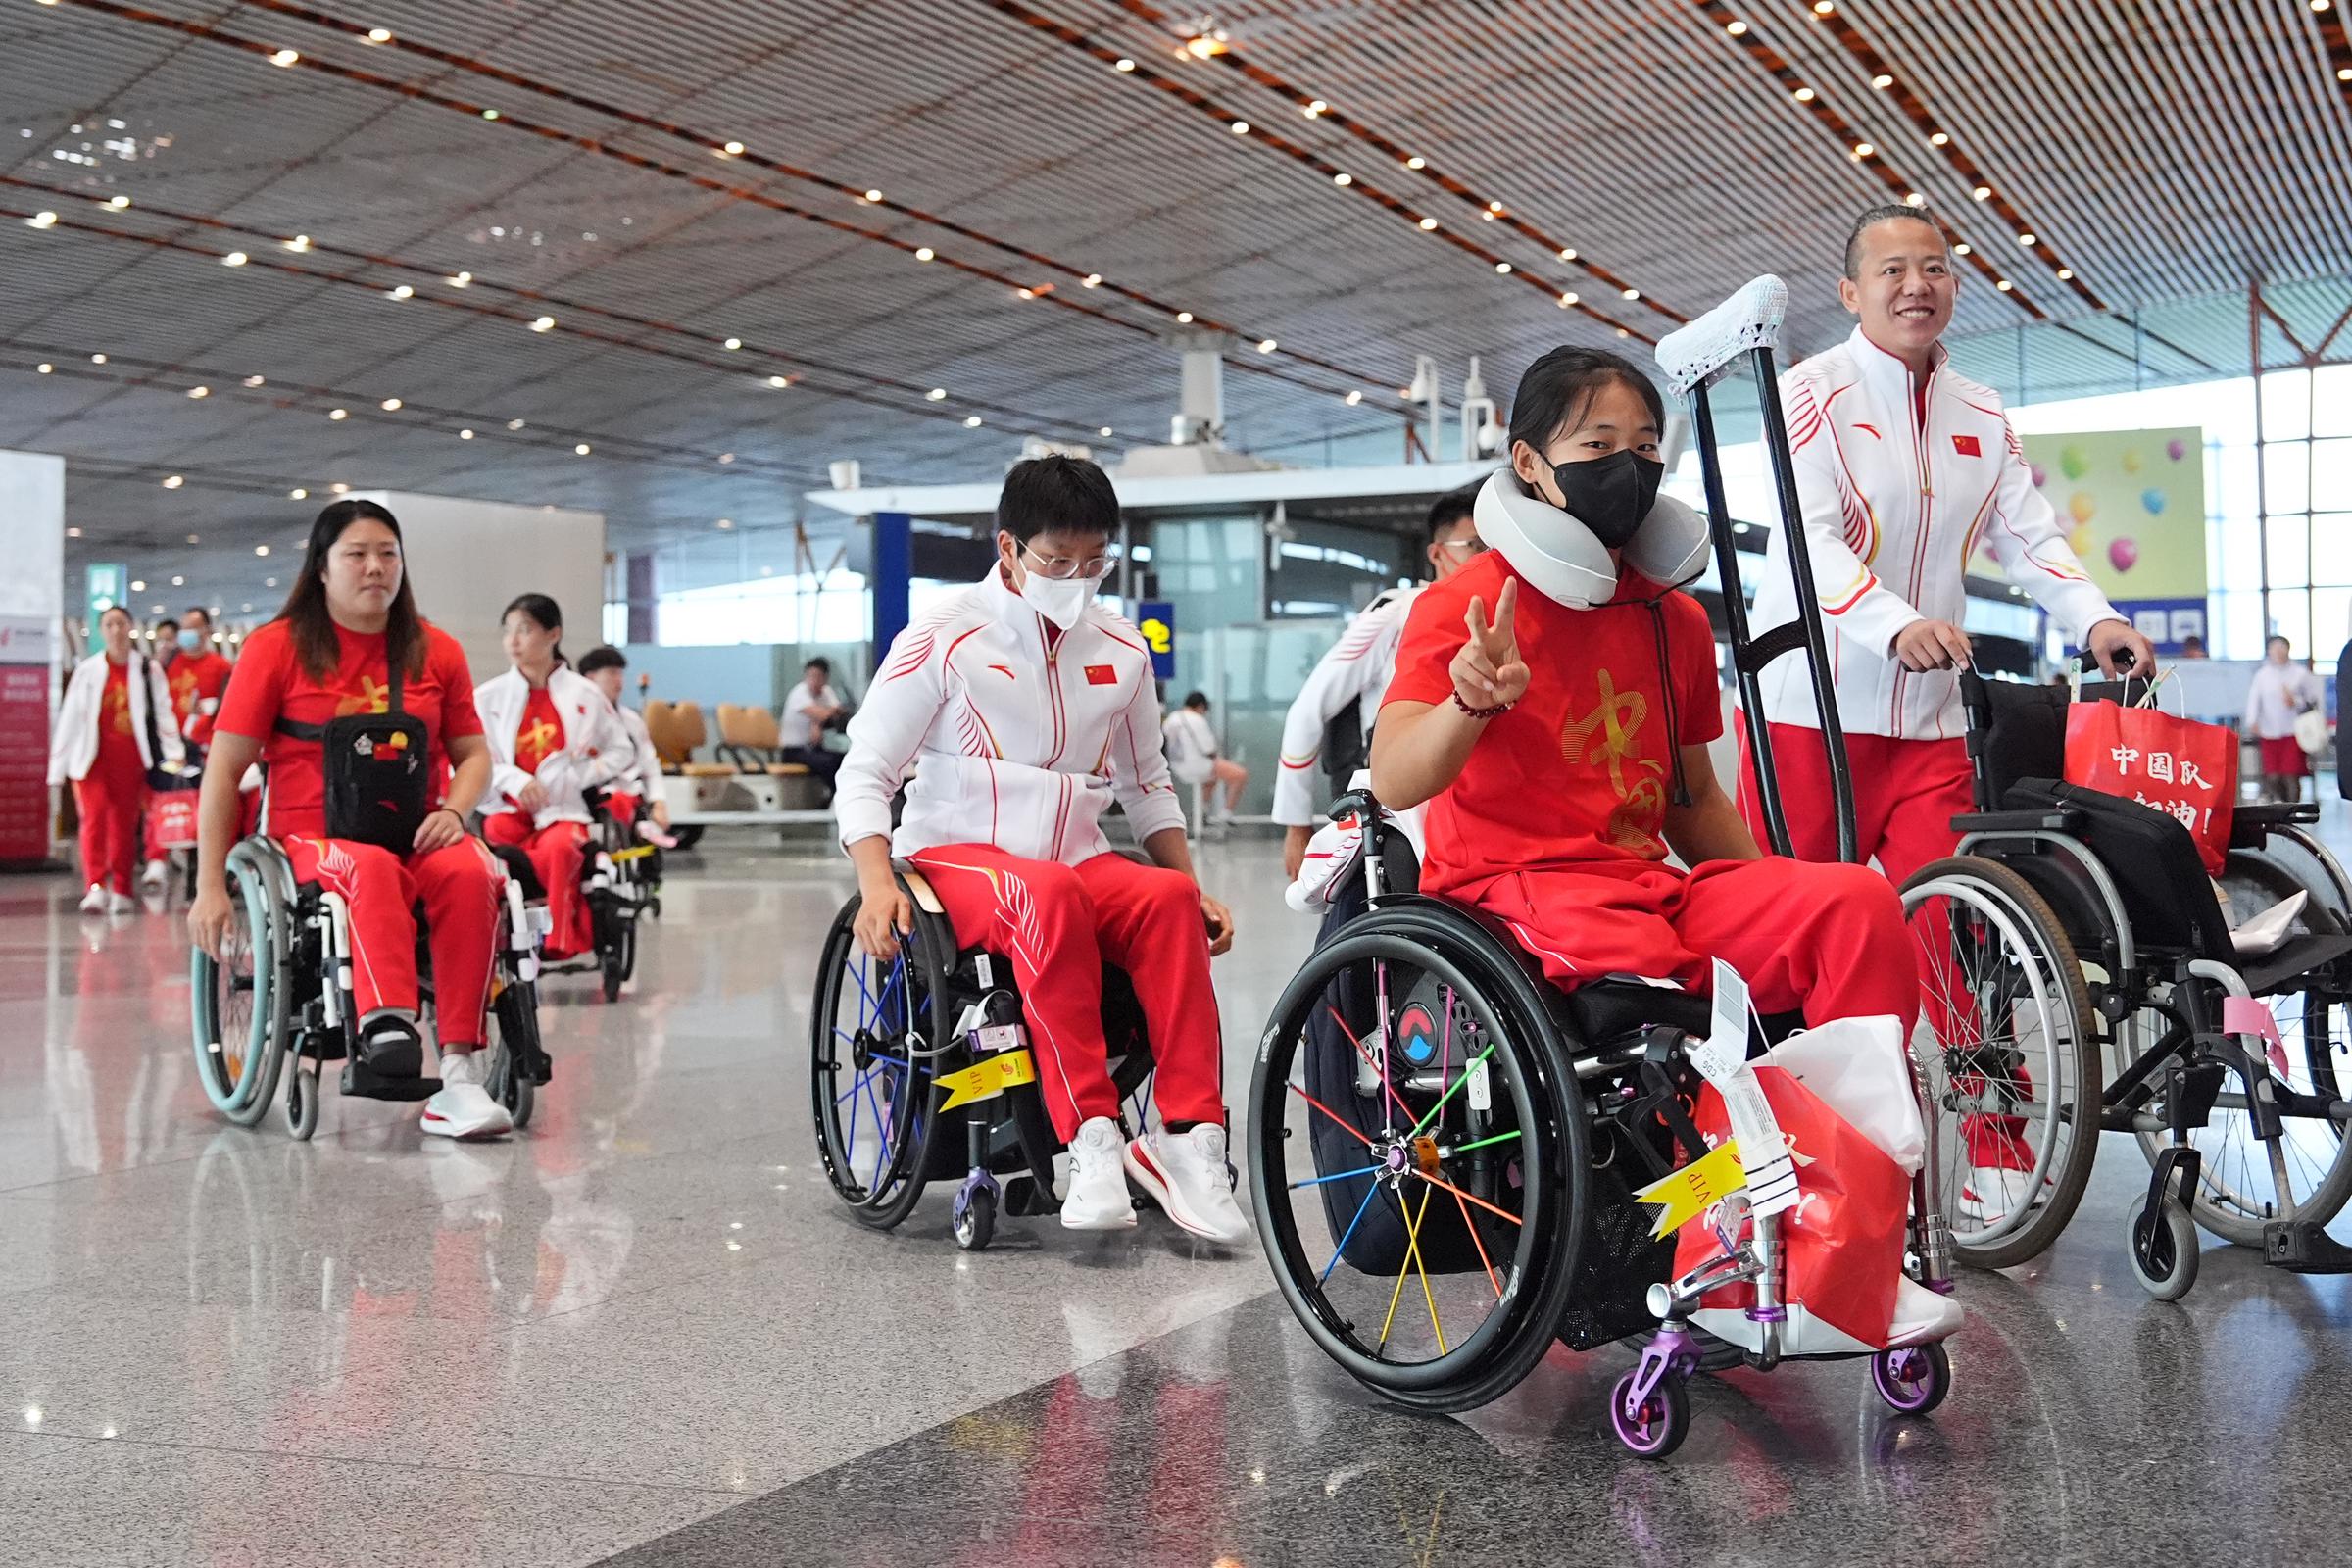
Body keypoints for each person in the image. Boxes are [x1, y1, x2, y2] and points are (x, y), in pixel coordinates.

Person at [1370, 345, 1956, 1343]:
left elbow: (1691, 803)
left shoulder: (1675, 619)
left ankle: (1847, 1234)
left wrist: (1782, 894)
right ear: (1528, 463)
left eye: (1646, 446)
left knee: (1854, 905)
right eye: (1599, 445)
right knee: (1667, 986)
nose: (1629, 467)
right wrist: (1472, 699)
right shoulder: (1463, 603)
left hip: (1644, 886)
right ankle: (1717, 1248)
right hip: (1514, 893)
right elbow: (1395, 777)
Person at [1742, 204, 2156, 1218]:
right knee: (1780, 949)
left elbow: (2031, 537)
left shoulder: (1981, 408)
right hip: (1815, 714)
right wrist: (1891, 622)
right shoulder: (1813, 393)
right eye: (1891, 269)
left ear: (1954, 289)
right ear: (1850, 292)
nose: (1914, 284)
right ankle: (1768, 1147)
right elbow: (1806, 543)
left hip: (1931, 725)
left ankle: (1998, 1140)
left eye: (1933, 268)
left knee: (1961, 946)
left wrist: (2099, 619)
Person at [837, 454, 1250, 1245]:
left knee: (1161, 902)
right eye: (1057, 561)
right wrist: (874, 877)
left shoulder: (1122, 649)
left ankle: (1188, 1137)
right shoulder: (946, 635)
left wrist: (1189, 883)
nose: (1076, 578)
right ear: (1008, 549)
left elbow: (1148, 782)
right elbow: (869, 768)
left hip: (1074, 855)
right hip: (954, 857)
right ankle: (1091, 1139)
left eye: (1094, 562)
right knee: (1046, 894)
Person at [189, 499, 513, 1139]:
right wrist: (206, 885)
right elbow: (223, 771)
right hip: (309, 838)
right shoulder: (274, 650)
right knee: (364, 864)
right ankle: (386, 1024)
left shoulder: (436, 650)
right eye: (357, 555)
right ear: (322, 567)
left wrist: (455, 810)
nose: (375, 568)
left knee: (474, 871)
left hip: (419, 826)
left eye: (387, 554)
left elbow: (474, 755)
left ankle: (460, 1074)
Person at [1276, 484, 1483, 879]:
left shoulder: (1503, 612)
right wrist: (1296, 825)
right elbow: (1308, 709)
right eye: (1474, 544)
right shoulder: (1396, 614)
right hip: (1400, 808)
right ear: (1437, 553)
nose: (1486, 556)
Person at [475, 594, 633, 961]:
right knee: (497, 837)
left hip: (562, 808)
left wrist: (582, 775)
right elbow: (472, 757)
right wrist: (516, 782)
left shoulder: (585, 694)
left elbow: (621, 749)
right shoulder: (488, 697)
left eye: (525, 630)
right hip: (510, 808)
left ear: (553, 635)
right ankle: (506, 932)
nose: (513, 641)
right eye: (508, 631)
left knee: (561, 848)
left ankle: (559, 937)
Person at [49, 605, 182, 913]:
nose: (116, 630)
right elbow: (70, 718)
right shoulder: (88, 670)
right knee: (93, 821)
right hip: (91, 761)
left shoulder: (147, 669)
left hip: (131, 760)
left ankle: (121, 887)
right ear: (101, 630)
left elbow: (163, 712)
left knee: (124, 825)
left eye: (121, 623)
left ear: (130, 627)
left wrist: (173, 753)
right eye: (109, 624)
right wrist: (58, 768)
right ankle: (95, 886)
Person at [141, 605, 238, 889]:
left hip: (205, 747)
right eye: (184, 627)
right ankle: (156, 860)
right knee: (161, 801)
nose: (187, 634)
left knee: (205, 807)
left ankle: (209, 867)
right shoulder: (167, 666)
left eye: (193, 627)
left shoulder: (222, 668)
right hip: (171, 746)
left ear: (207, 631)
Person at [574, 646, 677, 847]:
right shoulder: (577, 720)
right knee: (615, 801)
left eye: (621, 674)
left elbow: (649, 765)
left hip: (631, 794)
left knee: (627, 800)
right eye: (612, 673)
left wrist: (659, 802)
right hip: (591, 796)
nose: (619, 680)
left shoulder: (632, 720)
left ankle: (642, 830)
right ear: (590, 678)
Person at [2246, 634, 2324, 803]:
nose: (2278, 652)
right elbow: (2254, 699)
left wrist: (2294, 700)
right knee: (2273, 775)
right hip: (2269, 730)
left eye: (2282, 647)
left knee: (2291, 773)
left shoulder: (2299, 673)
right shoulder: (2263, 675)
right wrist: (2252, 720)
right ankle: (2279, 804)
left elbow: (2313, 700)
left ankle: (2294, 808)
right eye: (2274, 648)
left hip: (2293, 730)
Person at [1161, 693, 1246, 828]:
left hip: (1177, 765)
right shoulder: (1197, 719)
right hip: (1198, 765)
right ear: (1201, 706)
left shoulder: (1172, 719)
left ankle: (1202, 812)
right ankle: (1226, 813)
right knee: (1240, 775)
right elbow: (1208, 748)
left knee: (1211, 780)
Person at [780, 657, 847, 788]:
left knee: (845, 759)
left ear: (825, 678)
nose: (813, 681)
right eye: (810, 676)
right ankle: (834, 798)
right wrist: (819, 718)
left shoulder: (826, 691)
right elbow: (822, 714)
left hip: (814, 749)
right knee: (829, 762)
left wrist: (817, 722)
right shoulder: (799, 693)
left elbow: (839, 712)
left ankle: (837, 798)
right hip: (794, 751)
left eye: (818, 677)